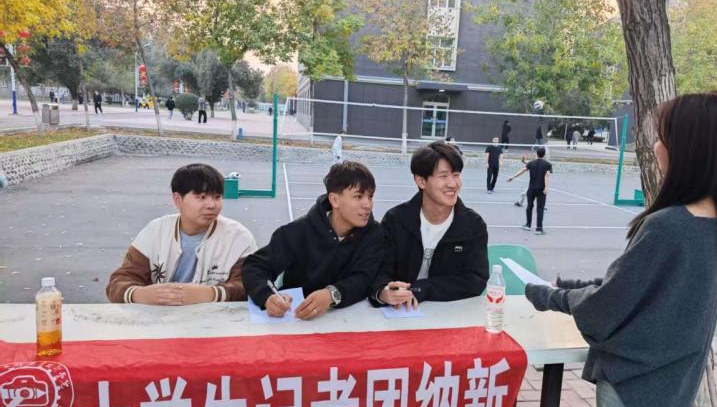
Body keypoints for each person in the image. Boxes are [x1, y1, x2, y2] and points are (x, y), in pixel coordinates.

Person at [525, 91, 717, 407]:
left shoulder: (668, 225)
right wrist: (572, 287)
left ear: (686, 150)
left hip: (633, 379)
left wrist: (548, 296)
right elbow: (641, 288)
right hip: (672, 376)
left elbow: (609, 304)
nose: (656, 145)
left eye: (662, 136)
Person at [243, 161, 384, 319]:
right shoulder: (298, 231)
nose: (368, 205)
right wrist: (268, 296)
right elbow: (255, 266)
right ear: (334, 200)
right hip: (296, 319)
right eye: (358, 196)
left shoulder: (374, 234)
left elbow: (365, 278)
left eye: (370, 196)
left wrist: (332, 294)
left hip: (353, 321)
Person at [107, 164, 257, 304]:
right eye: (202, 197)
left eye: (217, 197)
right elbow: (118, 282)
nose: (211, 205)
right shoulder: (155, 232)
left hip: (216, 321)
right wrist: (140, 294)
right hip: (160, 318)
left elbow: (250, 285)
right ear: (178, 200)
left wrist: (211, 294)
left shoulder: (239, 237)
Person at [370, 141, 489, 308]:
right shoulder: (395, 220)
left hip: (449, 313)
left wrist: (421, 289)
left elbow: (476, 280)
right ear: (421, 181)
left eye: (456, 175)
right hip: (399, 313)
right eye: (443, 176)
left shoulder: (473, 225)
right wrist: (383, 291)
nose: (453, 184)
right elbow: (379, 271)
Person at [508, 146, 552, 233]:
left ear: (536, 154)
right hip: (541, 189)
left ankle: (528, 225)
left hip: (531, 189)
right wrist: (546, 187)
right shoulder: (548, 164)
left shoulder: (531, 163)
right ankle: (539, 228)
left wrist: (513, 177)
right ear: (544, 155)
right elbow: (547, 175)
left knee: (529, 206)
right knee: (540, 208)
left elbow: (522, 170)